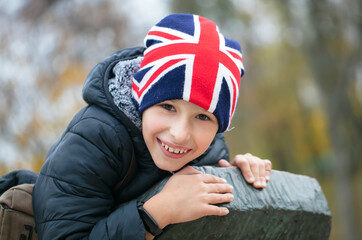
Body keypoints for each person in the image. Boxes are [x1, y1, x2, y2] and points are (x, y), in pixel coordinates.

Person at [32, 13, 272, 239]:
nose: (179, 134)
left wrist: (236, 173)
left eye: (202, 117)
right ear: (141, 97)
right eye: (168, 107)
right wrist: (153, 215)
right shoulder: (95, 139)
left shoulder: (211, 149)